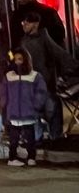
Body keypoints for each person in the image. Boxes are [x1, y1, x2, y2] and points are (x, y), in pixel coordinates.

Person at [21, 11, 78, 140]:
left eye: (26, 22)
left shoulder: (43, 38)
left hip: (43, 82)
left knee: (51, 107)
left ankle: (54, 136)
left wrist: (74, 66)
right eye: (23, 22)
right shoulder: (23, 41)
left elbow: (59, 54)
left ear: (35, 24)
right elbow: (14, 56)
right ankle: (37, 137)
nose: (23, 25)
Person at [0, 48, 48, 167]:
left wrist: (36, 105)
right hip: (14, 111)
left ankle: (31, 157)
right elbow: (3, 92)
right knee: (14, 139)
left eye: (20, 59)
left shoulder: (34, 76)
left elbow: (41, 92)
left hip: (28, 112)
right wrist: (5, 106)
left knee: (30, 138)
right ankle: (12, 158)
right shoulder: (9, 76)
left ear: (26, 60)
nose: (17, 62)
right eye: (16, 59)